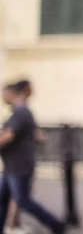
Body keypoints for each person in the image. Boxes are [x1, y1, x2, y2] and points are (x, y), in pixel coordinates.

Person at [0, 83, 65, 233]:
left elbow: (8, 136)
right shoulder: (20, 112)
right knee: (3, 199)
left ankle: (56, 225)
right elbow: (38, 135)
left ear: (12, 93)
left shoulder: (21, 112)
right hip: (12, 166)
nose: (3, 98)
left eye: (4, 94)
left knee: (23, 201)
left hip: (18, 166)